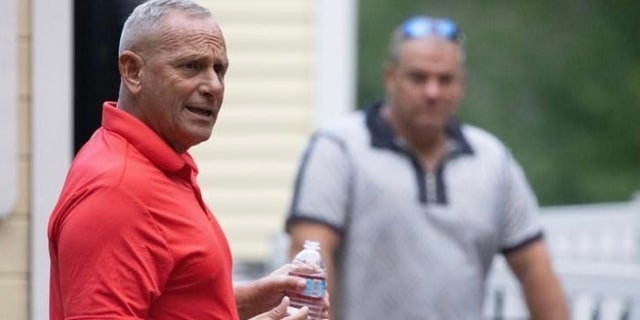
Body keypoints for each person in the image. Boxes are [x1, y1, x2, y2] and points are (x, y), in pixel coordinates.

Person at [47, 1, 328, 319]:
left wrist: (259, 297)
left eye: (219, 70)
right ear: (133, 71)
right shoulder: (117, 189)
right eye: (191, 66)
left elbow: (173, 298)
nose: (214, 86)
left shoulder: (155, 163)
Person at [286, 15, 569, 319]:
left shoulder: (492, 160)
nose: (432, 92)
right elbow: (310, 255)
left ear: (462, 83)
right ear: (390, 77)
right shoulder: (339, 148)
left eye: (445, 79)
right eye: (418, 78)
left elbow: (534, 266)